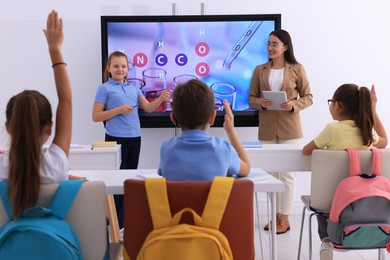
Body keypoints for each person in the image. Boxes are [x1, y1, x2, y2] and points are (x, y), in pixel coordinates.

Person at [0, 10, 82, 219]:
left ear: (8, 126)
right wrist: (55, 49)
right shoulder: (56, 165)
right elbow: (66, 101)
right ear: (49, 127)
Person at [302, 84, 387, 260]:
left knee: (323, 205)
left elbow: (306, 150)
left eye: (330, 103)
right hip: (363, 204)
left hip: (331, 203)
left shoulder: (332, 129)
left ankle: (327, 240)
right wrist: (373, 109)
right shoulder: (368, 131)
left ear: (338, 105)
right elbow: (384, 142)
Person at [92, 51, 170, 229]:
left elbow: (149, 108)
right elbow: (95, 116)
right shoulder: (104, 88)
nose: (120, 69)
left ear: (128, 69)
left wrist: (160, 99)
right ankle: (116, 223)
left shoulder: (134, 88)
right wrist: (118, 110)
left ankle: (124, 222)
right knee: (116, 180)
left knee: (128, 180)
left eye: (123, 66)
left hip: (135, 138)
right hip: (115, 139)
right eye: (116, 66)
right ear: (109, 68)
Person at [248, 29, 313, 234]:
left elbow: (309, 97)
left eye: (274, 44)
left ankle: (284, 218)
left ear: (285, 46)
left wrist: (293, 104)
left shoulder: (296, 68)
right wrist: (262, 103)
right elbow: (251, 98)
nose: (270, 47)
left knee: (287, 175)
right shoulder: (260, 70)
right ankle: (275, 216)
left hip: (289, 128)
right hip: (267, 129)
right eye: (268, 43)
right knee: (271, 174)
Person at [158, 79, 251, 181]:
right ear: (212, 117)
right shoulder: (224, 149)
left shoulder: (167, 148)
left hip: (176, 198)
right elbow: (246, 168)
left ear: (173, 118)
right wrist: (230, 129)